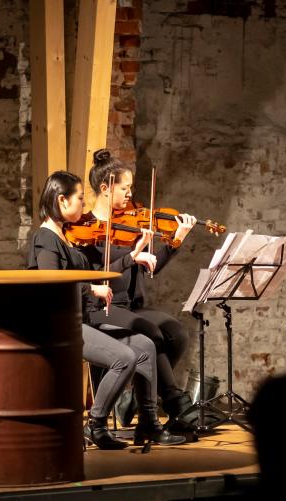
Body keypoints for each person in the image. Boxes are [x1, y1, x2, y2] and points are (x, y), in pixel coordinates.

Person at [27, 170, 184, 449]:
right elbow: (50, 284)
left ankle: (149, 423)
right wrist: (90, 289)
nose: (83, 205)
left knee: (146, 346)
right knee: (124, 357)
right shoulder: (45, 238)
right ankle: (96, 425)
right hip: (61, 324)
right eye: (79, 198)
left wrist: (132, 258)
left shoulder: (63, 237)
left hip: (81, 318)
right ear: (62, 200)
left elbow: (96, 274)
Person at [84, 149, 199, 427]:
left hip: (131, 306)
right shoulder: (86, 228)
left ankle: (137, 397)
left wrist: (175, 241)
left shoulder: (130, 223)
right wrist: (130, 255)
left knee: (177, 334)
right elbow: (93, 275)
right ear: (105, 188)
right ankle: (174, 402)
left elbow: (152, 268)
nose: (129, 194)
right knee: (151, 333)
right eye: (124, 188)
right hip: (103, 308)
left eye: (130, 188)